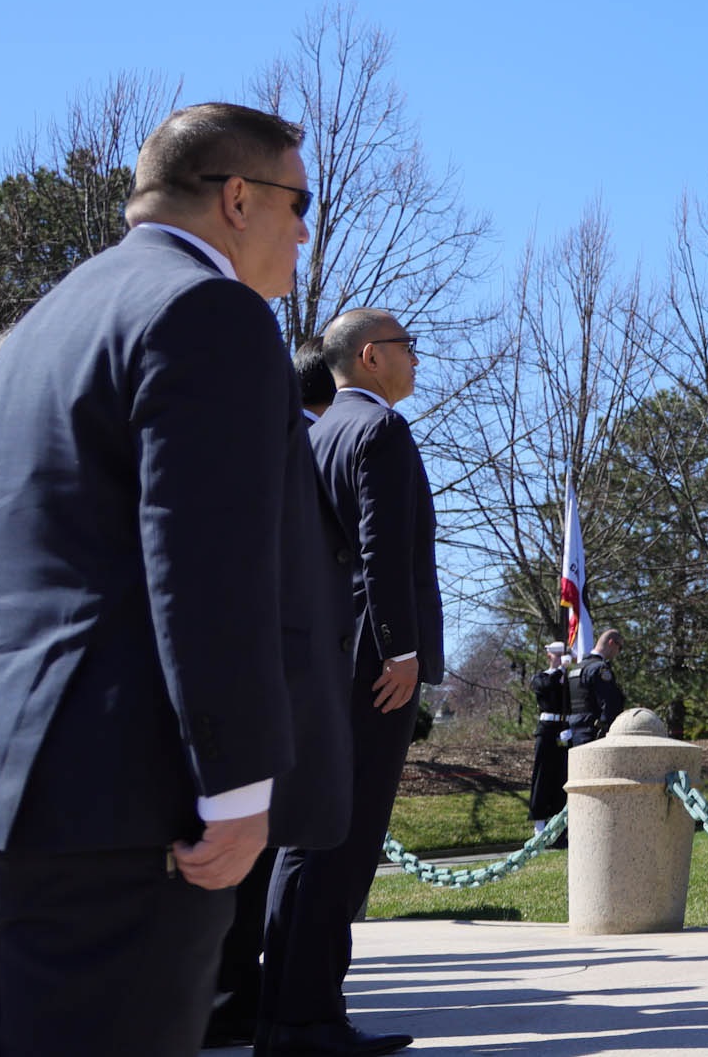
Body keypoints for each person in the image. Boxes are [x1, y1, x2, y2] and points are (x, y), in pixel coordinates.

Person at [0, 102, 347, 1057]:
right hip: (135, 806)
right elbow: (205, 569)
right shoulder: (207, 312)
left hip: (16, 792)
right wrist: (235, 791)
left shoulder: (36, 330)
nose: (306, 231)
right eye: (298, 201)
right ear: (237, 197)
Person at [259, 307, 446, 1056]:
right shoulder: (380, 432)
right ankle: (310, 1022)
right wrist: (400, 652)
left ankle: (282, 1012)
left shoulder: (315, 431)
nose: (416, 360)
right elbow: (382, 549)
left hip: (317, 661)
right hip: (371, 668)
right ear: (371, 356)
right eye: (407, 347)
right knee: (344, 842)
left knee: (305, 840)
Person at [209, 345, 353, 1049]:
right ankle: (235, 994)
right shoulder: (292, 444)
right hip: (278, 673)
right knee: (261, 846)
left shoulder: (272, 439)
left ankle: (233, 991)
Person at [525, 645, 573, 824]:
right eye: (557, 655)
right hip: (546, 729)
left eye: (563, 656)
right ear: (549, 656)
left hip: (565, 728)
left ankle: (558, 822)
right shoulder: (541, 677)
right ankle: (539, 821)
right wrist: (561, 670)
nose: (560, 659)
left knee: (561, 777)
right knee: (542, 776)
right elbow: (546, 686)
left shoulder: (568, 679)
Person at [572, 630, 628, 741]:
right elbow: (609, 703)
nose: (618, 652)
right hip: (593, 733)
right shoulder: (600, 669)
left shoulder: (577, 667)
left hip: (574, 731)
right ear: (611, 642)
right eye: (620, 648)